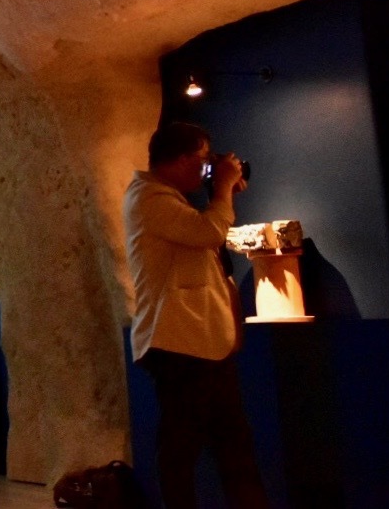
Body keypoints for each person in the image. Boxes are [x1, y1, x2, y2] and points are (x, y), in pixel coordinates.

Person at [124, 121, 269, 509]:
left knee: (229, 446)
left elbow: (205, 232)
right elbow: (208, 233)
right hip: (180, 345)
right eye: (204, 160)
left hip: (200, 345)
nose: (207, 168)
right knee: (184, 450)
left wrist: (218, 191)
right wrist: (221, 189)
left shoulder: (168, 199)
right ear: (185, 158)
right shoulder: (149, 198)